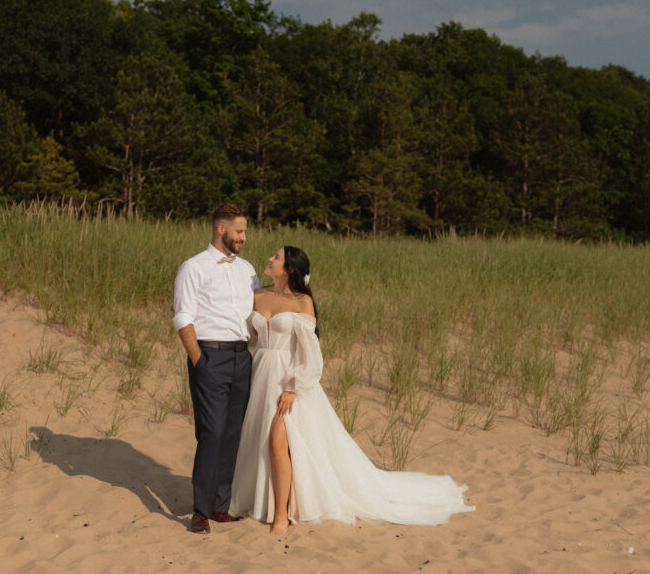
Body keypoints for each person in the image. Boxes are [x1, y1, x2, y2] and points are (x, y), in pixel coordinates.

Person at [230, 246, 474, 535]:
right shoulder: (257, 295)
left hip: (288, 379)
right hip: (261, 373)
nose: (270, 259)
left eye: (277, 257)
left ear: (290, 269)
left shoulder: (302, 301)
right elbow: (252, 336)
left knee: (276, 443)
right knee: (261, 442)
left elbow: (311, 353)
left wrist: (294, 387)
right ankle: (267, 501)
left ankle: (281, 514)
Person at [173, 203, 259, 534]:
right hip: (210, 356)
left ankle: (221, 506)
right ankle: (201, 510)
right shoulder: (193, 268)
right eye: (239, 231)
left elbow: (253, 315)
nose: (244, 238)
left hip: (241, 359)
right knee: (211, 431)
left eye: (245, 232)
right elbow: (183, 316)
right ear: (221, 229)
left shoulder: (248, 270)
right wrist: (199, 360)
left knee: (232, 433)